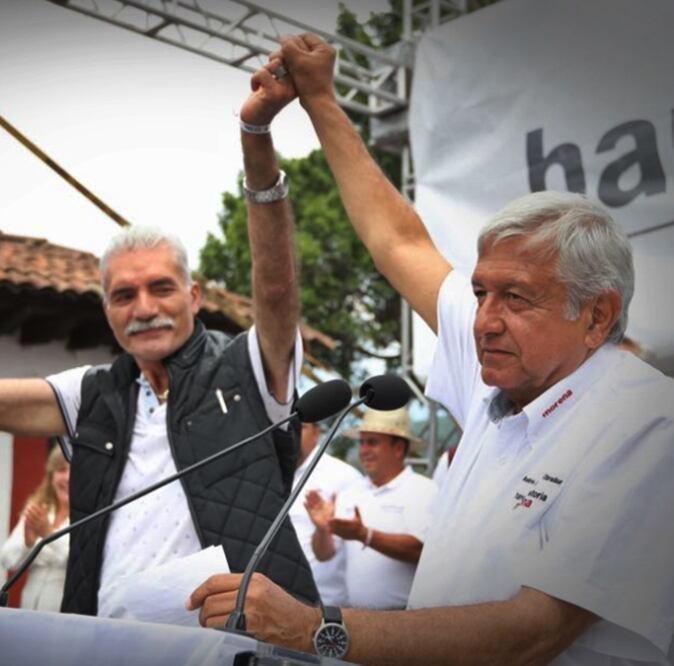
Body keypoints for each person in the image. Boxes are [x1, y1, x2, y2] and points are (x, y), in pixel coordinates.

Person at [188, 32, 674, 665]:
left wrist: (315, 628)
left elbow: (529, 635)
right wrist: (319, 101)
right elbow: (398, 241)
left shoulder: (646, 423)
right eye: (478, 293)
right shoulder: (503, 370)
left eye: (516, 299)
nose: (484, 322)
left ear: (597, 314)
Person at [0, 56, 321, 616]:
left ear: (195, 296)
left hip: (232, 647)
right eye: (124, 295)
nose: (145, 309)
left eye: (162, 288)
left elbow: (276, 289)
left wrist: (255, 138)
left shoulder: (246, 370)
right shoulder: (93, 395)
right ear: (106, 310)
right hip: (103, 646)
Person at [305, 407, 437, 610]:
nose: (363, 450)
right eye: (361, 442)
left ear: (399, 448)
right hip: (356, 620)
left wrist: (364, 535)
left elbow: (421, 550)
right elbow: (324, 555)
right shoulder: (350, 492)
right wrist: (322, 530)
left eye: (372, 442)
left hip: (407, 622)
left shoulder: (424, 490)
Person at [289, 420, 361, 607]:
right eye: (288, 426)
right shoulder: (275, 471)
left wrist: (322, 529)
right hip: (280, 600)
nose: (293, 432)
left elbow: (350, 545)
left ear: (316, 432)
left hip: (326, 605)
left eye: (300, 426)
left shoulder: (343, 476)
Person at [0, 444, 71, 612]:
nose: (68, 478)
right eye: (61, 470)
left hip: (65, 614)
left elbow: (81, 564)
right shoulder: (39, 507)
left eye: (75, 472)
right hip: (29, 608)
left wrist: (48, 534)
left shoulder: (92, 515)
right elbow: (7, 560)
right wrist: (28, 543)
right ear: (51, 475)